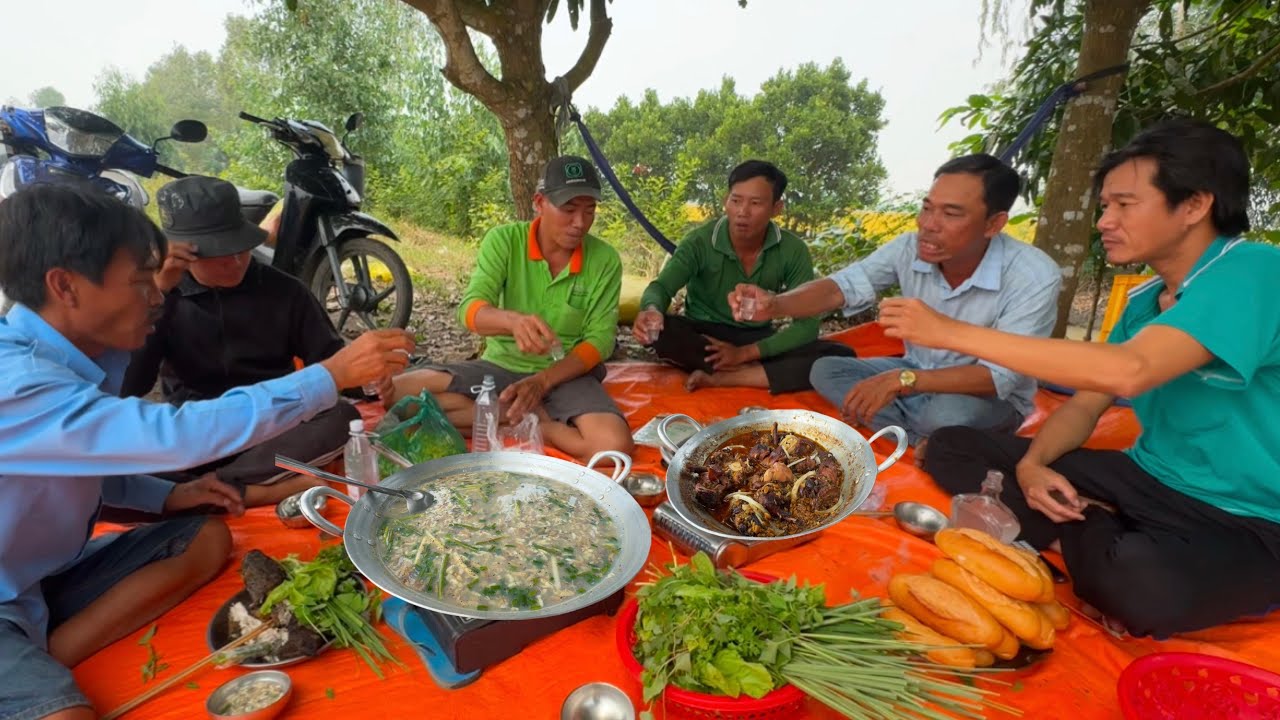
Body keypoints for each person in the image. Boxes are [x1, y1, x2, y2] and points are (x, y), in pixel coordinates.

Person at [0, 182, 413, 720]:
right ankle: (32, 668)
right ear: (66, 287)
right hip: (187, 440)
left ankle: (46, 651)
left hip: (44, 569)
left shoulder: (277, 292)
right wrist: (329, 376)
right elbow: (166, 433)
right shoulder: (19, 384)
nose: (155, 295)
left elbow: (88, 459)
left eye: (156, 278)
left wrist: (170, 498)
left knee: (207, 534)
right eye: (140, 281)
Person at [880, 119, 1280, 639]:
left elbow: (1130, 372)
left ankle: (1089, 524)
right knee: (951, 445)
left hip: (1253, 516)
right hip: (1151, 479)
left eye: (1123, 204)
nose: (1104, 221)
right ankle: (1095, 524)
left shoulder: (1254, 271)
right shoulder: (1143, 304)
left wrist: (950, 331)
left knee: (1144, 588)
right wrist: (1034, 465)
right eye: (1104, 206)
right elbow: (1086, 405)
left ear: (1194, 205)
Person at [730, 154, 1060, 448]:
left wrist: (900, 382)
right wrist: (775, 304)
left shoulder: (1033, 276)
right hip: (915, 370)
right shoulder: (907, 248)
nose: (928, 225)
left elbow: (999, 378)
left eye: (951, 214)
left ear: (994, 224)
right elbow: (839, 288)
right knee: (826, 370)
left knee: (945, 414)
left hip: (984, 395)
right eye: (927, 208)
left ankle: (919, 430)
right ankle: (924, 440)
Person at [122, 176, 361, 508]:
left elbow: (333, 361)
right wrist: (156, 299)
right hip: (198, 431)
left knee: (343, 418)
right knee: (121, 453)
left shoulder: (285, 291)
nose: (233, 262)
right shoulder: (161, 300)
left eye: (239, 248)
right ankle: (255, 488)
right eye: (218, 253)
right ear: (179, 255)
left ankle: (216, 489)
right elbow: (128, 386)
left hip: (276, 427)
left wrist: (369, 371)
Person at [382, 156, 633, 461]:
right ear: (539, 203)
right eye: (568, 210)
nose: (580, 222)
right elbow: (470, 310)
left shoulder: (604, 260)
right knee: (395, 394)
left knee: (612, 448)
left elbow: (600, 341)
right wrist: (512, 321)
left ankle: (540, 424)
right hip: (498, 368)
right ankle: (507, 413)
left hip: (565, 374)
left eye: (589, 210)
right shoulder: (504, 241)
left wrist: (542, 382)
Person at [632, 160, 855, 393]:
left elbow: (807, 325)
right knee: (662, 330)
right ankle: (760, 373)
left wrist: (744, 353)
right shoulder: (699, 241)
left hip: (756, 341)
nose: (742, 212)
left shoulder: (793, 250)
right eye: (735, 200)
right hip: (704, 338)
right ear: (725, 201)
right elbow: (661, 288)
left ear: (776, 208)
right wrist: (651, 309)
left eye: (755, 203)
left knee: (839, 356)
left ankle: (727, 376)